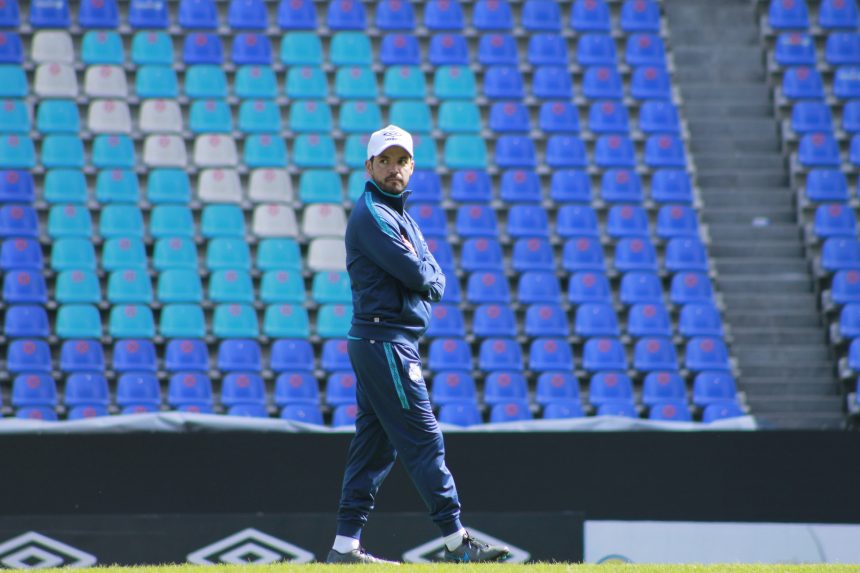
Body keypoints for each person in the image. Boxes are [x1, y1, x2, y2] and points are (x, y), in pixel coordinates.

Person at [325, 125, 511, 565]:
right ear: (369, 166)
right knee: (424, 439)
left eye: (402, 160)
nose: (394, 169)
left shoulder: (399, 215)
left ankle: (344, 548)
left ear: (412, 166)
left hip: (383, 338)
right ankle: (455, 541)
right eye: (385, 161)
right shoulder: (373, 214)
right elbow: (422, 275)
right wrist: (427, 273)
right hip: (384, 339)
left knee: (375, 447)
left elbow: (433, 274)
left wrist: (428, 272)